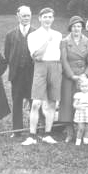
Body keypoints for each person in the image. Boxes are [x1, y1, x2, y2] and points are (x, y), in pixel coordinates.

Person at [21, 8, 62, 146]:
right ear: (39, 18)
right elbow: (36, 56)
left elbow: (59, 54)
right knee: (36, 103)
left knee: (51, 103)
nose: (47, 19)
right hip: (40, 67)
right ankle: (32, 136)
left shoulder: (58, 35)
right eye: (45, 17)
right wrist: (46, 41)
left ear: (53, 19)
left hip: (55, 67)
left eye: (50, 17)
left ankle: (47, 134)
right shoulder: (33, 35)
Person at [59, 16, 88, 143]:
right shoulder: (64, 41)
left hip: (84, 77)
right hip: (70, 77)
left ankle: (86, 131)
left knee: (86, 102)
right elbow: (63, 60)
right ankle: (70, 132)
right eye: (74, 26)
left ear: (82, 28)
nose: (76, 29)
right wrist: (72, 76)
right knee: (69, 104)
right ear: (70, 28)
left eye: (79, 26)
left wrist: (86, 74)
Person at [4, 5, 36, 137]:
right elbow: (7, 54)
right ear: (18, 16)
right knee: (16, 101)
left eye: (28, 15)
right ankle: (17, 130)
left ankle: (34, 129)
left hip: (33, 73)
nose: (26, 18)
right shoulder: (10, 34)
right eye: (23, 15)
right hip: (17, 74)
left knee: (34, 102)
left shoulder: (36, 33)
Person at [73, 77, 88, 146]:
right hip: (81, 113)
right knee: (81, 128)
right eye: (82, 86)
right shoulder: (78, 95)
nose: (84, 88)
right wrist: (79, 106)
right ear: (79, 87)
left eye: (86, 86)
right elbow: (74, 105)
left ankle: (86, 140)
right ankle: (78, 141)